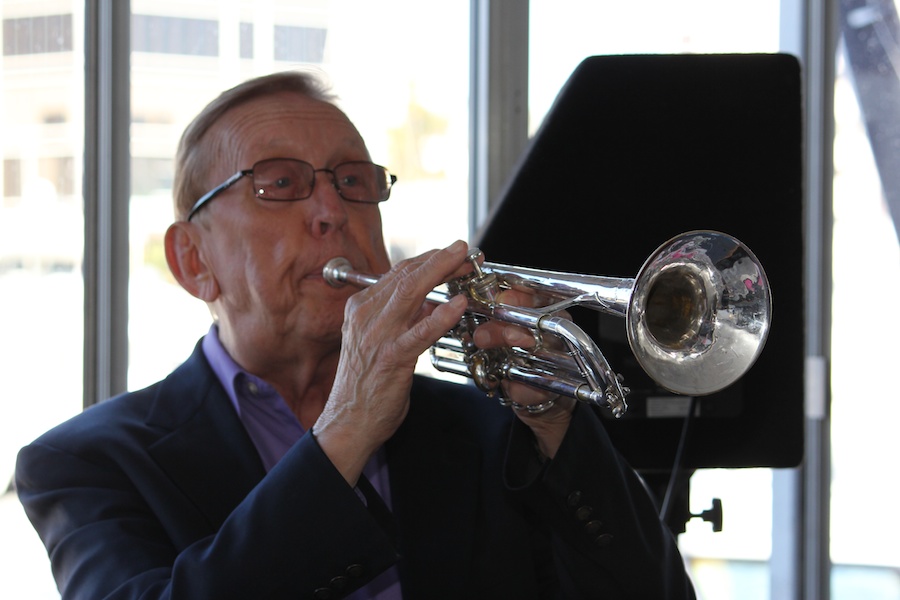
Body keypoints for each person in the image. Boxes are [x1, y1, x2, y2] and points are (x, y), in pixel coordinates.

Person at [15, 70, 696, 599]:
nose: (330, 211)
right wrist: (347, 430)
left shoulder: (491, 430)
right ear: (194, 260)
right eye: (280, 183)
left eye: (353, 181)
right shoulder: (85, 464)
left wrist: (555, 422)